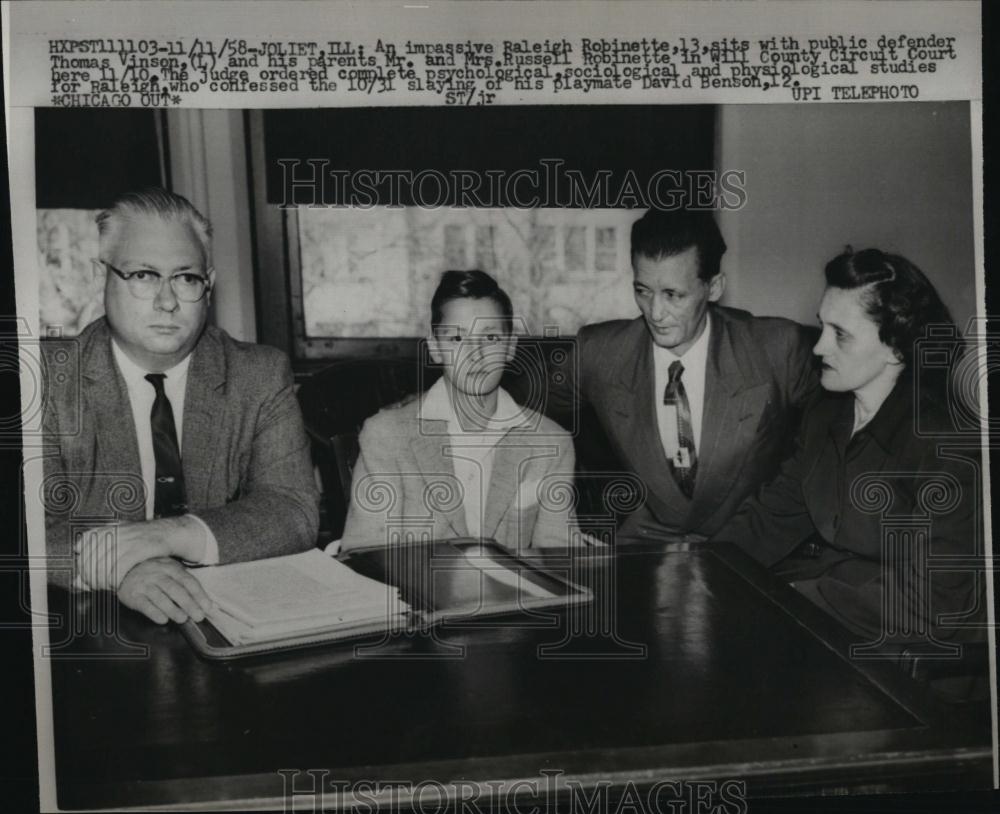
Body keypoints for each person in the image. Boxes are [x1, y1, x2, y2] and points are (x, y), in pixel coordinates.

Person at [42, 188, 319, 624]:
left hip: (222, 619)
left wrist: (170, 535)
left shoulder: (259, 374)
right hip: (87, 631)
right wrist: (122, 566)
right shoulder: (44, 380)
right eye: (143, 276)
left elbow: (293, 509)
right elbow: (24, 525)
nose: (167, 301)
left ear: (208, 285)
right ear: (102, 277)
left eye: (186, 278)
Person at [715, 248, 983, 644]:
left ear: (896, 349)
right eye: (821, 326)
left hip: (917, 658)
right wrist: (701, 565)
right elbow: (773, 516)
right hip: (838, 616)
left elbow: (933, 601)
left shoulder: (947, 446)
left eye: (840, 333)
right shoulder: (826, 414)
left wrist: (795, 603)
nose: (819, 346)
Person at [553, 208, 819, 544]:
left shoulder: (777, 349)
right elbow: (521, 417)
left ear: (714, 287)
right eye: (643, 290)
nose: (655, 312)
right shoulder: (600, 352)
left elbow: (835, 439)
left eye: (673, 295)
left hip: (751, 549)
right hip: (643, 549)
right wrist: (562, 519)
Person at [340, 270, 579, 553]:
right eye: (456, 339)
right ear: (435, 349)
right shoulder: (387, 435)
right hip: (415, 594)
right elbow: (367, 555)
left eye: (490, 337)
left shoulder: (551, 441)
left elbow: (557, 557)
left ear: (511, 347)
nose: (475, 355)